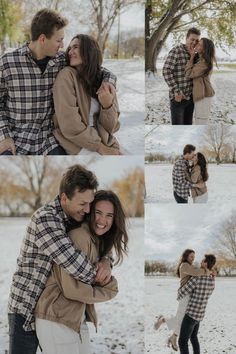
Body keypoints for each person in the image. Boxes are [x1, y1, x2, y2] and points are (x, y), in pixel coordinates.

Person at [8, 164, 113, 354]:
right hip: (25, 307)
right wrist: (104, 279)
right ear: (64, 198)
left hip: (51, 308)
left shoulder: (74, 215)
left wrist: (106, 259)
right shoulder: (45, 219)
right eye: (83, 204)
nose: (88, 210)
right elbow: (75, 265)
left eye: (90, 203)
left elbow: (100, 240)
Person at [0, 9, 116, 155]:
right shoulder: (7, 62)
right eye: (59, 40)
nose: (62, 46)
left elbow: (94, 68)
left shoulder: (61, 60)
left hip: (48, 140)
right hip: (16, 138)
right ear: (42, 39)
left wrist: (108, 81)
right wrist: (4, 136)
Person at [35, 190, 128, 353]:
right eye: (98, 213)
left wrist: (106, 260)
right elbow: (73, 289)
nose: (102, 220)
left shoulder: (95, 238)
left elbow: (103, 257)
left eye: (109, 215)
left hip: (75, 318)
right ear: (90, 212)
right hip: (56, 318)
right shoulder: (79, 236)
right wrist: (110, 289)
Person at [52, 34, 121, 156]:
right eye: (70, 48)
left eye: (76, 47)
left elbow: (112, 128)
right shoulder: (66, 76)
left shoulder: (104, 82)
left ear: (89, 51)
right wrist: (100, 148)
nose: (70, 52)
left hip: (104, 141)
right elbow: (70, 125)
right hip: (75, 143)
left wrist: (107, 106)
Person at [154, 249, 211, 351]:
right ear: (186, 256)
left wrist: (210, 272)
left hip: (190, 295)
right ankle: (162, 320)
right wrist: (207, 271)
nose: (193, 259)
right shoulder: (184, 265)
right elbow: (196, 272)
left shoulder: (190, 265)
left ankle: (173, 337)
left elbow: (197, 272)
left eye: (194, 257)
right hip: (185, 295)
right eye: (191, 256)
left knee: (183, 321)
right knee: (179, 319)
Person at [178, 254, 216, 354]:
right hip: (200, 315)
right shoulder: (212, 280)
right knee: (193, 337)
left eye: (202, 261)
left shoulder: (197, 278)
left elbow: (184, 291)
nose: (200, 262)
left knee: (182, 342)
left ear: (206, 263)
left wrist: (178, 293)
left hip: (191, 314)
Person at [163, 27, 201, 125]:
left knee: (188, 125)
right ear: (186, 38)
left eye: (196, 41)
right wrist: (177, 91)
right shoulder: (177, 50)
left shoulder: (195, 55)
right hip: (178, 98)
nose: (194, 42)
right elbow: (166, 70)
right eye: (192, 39)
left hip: (190, 98)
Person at [185, 38, 216, 124]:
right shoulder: (201, 60)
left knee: (201, 122)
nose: (196, 45)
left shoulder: (204, 63)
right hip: (201, 95)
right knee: (199, 120)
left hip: (204, 96)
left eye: (200, 45)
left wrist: (191, 58)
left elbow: (189, 74)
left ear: (205, 49)